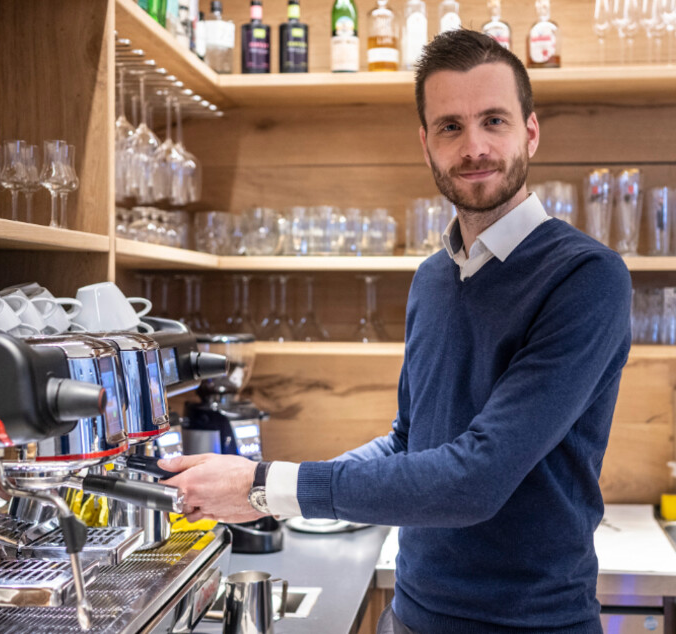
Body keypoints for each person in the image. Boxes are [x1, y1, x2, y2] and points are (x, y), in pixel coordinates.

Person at [159, 29, 632, 634]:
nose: (475, 147)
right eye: (450, 127)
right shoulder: (434, 277)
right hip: (411, 614)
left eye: (494, 120)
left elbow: (475, 481)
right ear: (426, 144)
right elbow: (409, 440)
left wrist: (264, 486)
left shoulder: (585, 277)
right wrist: (275, 496)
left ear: (530, 131)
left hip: (530, 625)